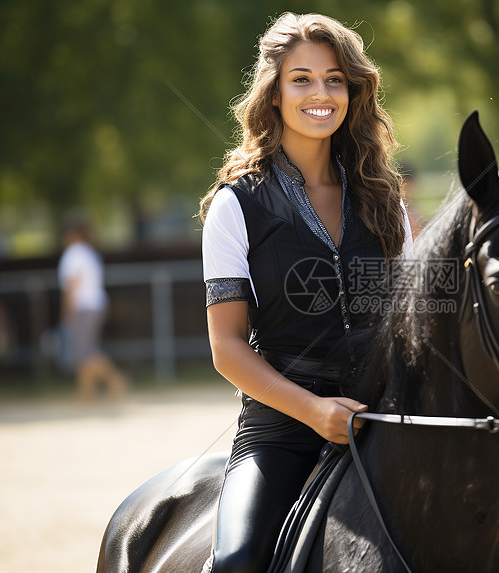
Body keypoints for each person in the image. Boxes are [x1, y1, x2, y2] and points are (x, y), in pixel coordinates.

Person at [198, 12, 413, 573]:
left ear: (353, 90)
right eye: (302, 79)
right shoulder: (234, 206)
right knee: (236, 563)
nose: (321, 93)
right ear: (273, 94)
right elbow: (228, 348)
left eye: (335, 78)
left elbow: (413, 324)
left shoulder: (386, 200)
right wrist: (315, 412)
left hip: (387, 422)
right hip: (280, 432)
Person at [58, 212, 128, 403]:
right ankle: (86, 395)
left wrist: (67, 312)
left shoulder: (73, 254)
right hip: (95, 305)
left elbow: (72, 287)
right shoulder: (89, 253)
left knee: (84, 352)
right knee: (85, 351)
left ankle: (116, 379)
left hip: (83, 307)